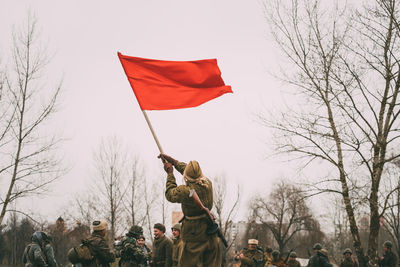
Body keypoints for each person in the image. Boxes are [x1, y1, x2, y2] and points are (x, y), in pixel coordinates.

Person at [160, 154, 222, 267]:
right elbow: (188, 171)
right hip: (209, 228)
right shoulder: (207, 182)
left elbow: (170, 194)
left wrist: (170, 174)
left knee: (187, 263)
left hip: (194, 231)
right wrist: (174, 162)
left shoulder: (186, 191)